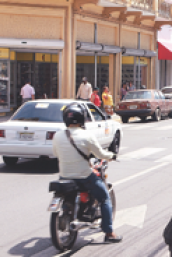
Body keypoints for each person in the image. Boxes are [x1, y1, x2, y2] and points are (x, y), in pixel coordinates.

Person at [52, 103, 122, 243]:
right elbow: (100, 153)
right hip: (84, 177)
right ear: (82, 118)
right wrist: (112, 156)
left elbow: (55, 153)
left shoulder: (57, 135)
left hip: (64, 177)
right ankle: (109, 233)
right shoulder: (86, 135)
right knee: (104, 198)